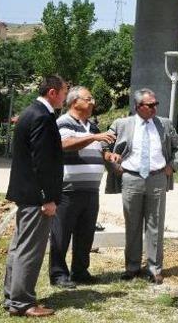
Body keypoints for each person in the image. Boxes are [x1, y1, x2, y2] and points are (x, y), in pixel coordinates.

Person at [3, 75, 68, 317]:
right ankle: (22, 302)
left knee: (19, 247)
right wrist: (47, 198)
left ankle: (12, 298)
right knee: (29, 250)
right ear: (52, 92)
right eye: (64, 92)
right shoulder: (42, 116)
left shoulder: (30, 112)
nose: (65, 97)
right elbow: (41, 162)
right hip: (36, 197)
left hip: (28, 194)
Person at [104, 88, 178, 284]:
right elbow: (104, 146)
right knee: (132, 224)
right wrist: (114, 166)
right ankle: (132, 267)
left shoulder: (164, 124)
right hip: (131, 178)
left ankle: (154, 268)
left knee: (155, 224)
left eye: (156, 104)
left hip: (157, 178)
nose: (154, 108)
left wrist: (172, 166)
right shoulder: (122, 124)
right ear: (137, 106)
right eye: (150, 105)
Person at [49, 87, 115, 288]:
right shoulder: (64, 122)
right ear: (74, 101)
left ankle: (80, 271)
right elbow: (65, 144)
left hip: (91, 190)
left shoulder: (92, 126)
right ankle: (58, 274)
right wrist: (93, 138)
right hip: (68, 189)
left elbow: (101, 150)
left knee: (86, 233)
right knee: (62, 233)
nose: (93, 102)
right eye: (88, 98)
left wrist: (110, 156)